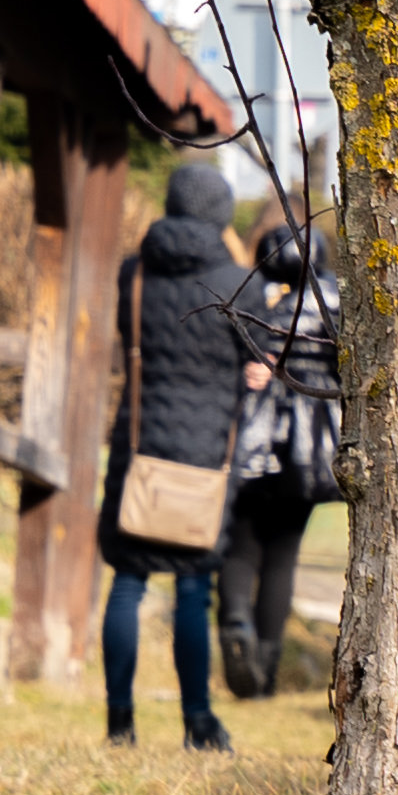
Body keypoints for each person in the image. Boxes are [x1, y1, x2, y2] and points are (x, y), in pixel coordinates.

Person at [101, 152, 270, 751]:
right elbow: (262, 355)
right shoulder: (236, 283)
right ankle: (198, 722)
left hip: (140, 445)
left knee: (127, 582)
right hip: (204, 453)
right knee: (194, 590)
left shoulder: (133, 275)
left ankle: (120, 723)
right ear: (221, 215)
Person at [214, 206, 343, 700]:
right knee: (283, 555)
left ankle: (234, 625)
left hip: (256, 437)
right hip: (311, 446)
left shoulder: (254, 296)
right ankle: (264, 671)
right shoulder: (334, 299)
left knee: (242, 544)